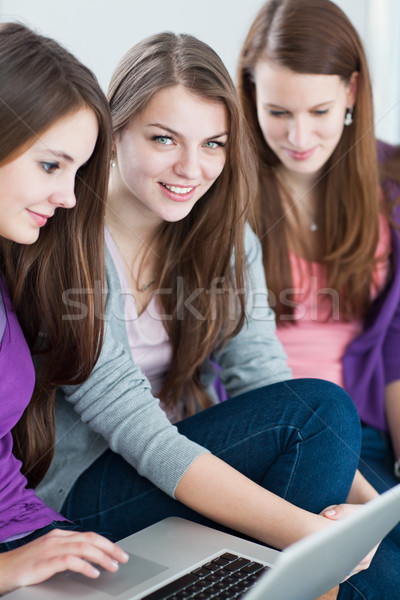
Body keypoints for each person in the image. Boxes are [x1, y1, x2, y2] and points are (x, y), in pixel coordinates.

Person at [35, 32, 395, 599]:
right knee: (324, 410)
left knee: (384, 549)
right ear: (113, 131)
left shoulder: (225, 240)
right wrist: (316, 540)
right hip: (87, 493)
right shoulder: (65, 238)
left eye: (213, 144)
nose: (191, 167)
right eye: (163, 139)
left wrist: (379, 521)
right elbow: (138, 429)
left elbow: (267, 380)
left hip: (187, 461)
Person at [237, 0, 400, 536]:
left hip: (371, 431)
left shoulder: (391, 184)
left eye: (319, 112)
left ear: (351, 91)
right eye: (279, 113)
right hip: (271, 432)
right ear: (251, 94)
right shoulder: (222, 191)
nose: (299, 138)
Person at [0, 23, 129, 596]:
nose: (70, 196)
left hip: (26, 530)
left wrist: (49, 536)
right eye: (51, 166)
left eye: (77, 171)